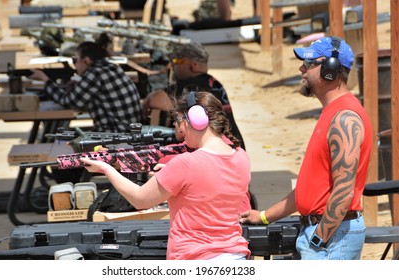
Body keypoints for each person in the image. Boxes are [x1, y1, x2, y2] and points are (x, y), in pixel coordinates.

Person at [239, 36, 373, 260]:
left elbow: (344, 190)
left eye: (310, 64)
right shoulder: (333, 113)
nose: (302, 68)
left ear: (330, 70)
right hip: (324, 235)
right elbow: (307, 190)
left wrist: (319, 239)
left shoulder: (344, 119)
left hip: (330, 240)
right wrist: (264, 216)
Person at [81, 91, 251, 260]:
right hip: (235, 256)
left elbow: (140, 199)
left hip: (194, 258)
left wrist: (106, 169)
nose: (180, 129)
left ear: (195, 119)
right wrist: (169, 176)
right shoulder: (241, 156)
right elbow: (208, 187)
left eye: (179, 121)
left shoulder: (186, 163)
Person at [142, 41, 246, 150]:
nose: (173, 65)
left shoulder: (191, 85)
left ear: (193, 65)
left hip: (215, 152)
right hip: (233, 147)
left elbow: (154, 99)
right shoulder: (213, 82)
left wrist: (144, 107)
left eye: (177, 61)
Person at [28, 41, 144, 133]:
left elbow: (69, 101)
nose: (74, 65)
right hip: (127, 132)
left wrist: (45, 79)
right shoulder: (111, 68)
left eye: (75, 60)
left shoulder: (95, 74)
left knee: (62, 137)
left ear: (86, 60)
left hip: (115, 134)